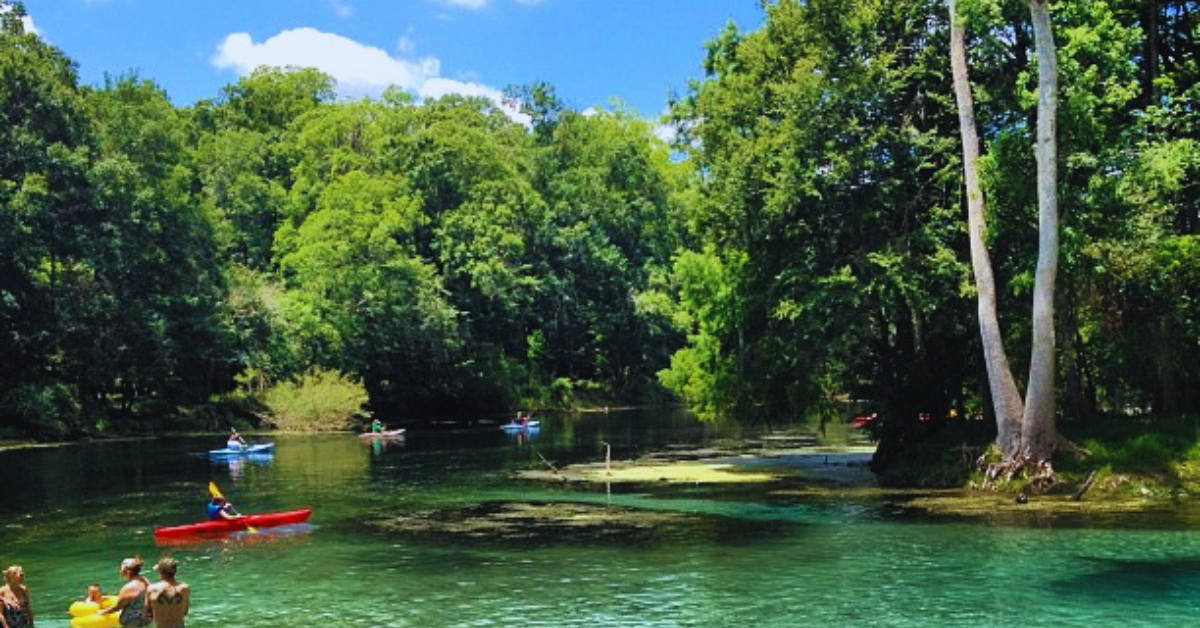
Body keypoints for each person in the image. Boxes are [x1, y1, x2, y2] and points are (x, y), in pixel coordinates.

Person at [97, 557, 151, 628]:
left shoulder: (128, 588)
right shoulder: (145, 581)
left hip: (132, 622)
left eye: (121, 568)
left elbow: (117, 607)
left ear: (127, 571)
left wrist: (102, 612)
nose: (120, 571)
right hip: (146, 619)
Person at [147, 558, 188, 628]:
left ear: (160, 572)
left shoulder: (152, 589)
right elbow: (185, 611)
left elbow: (148, 612)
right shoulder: (184, 588)